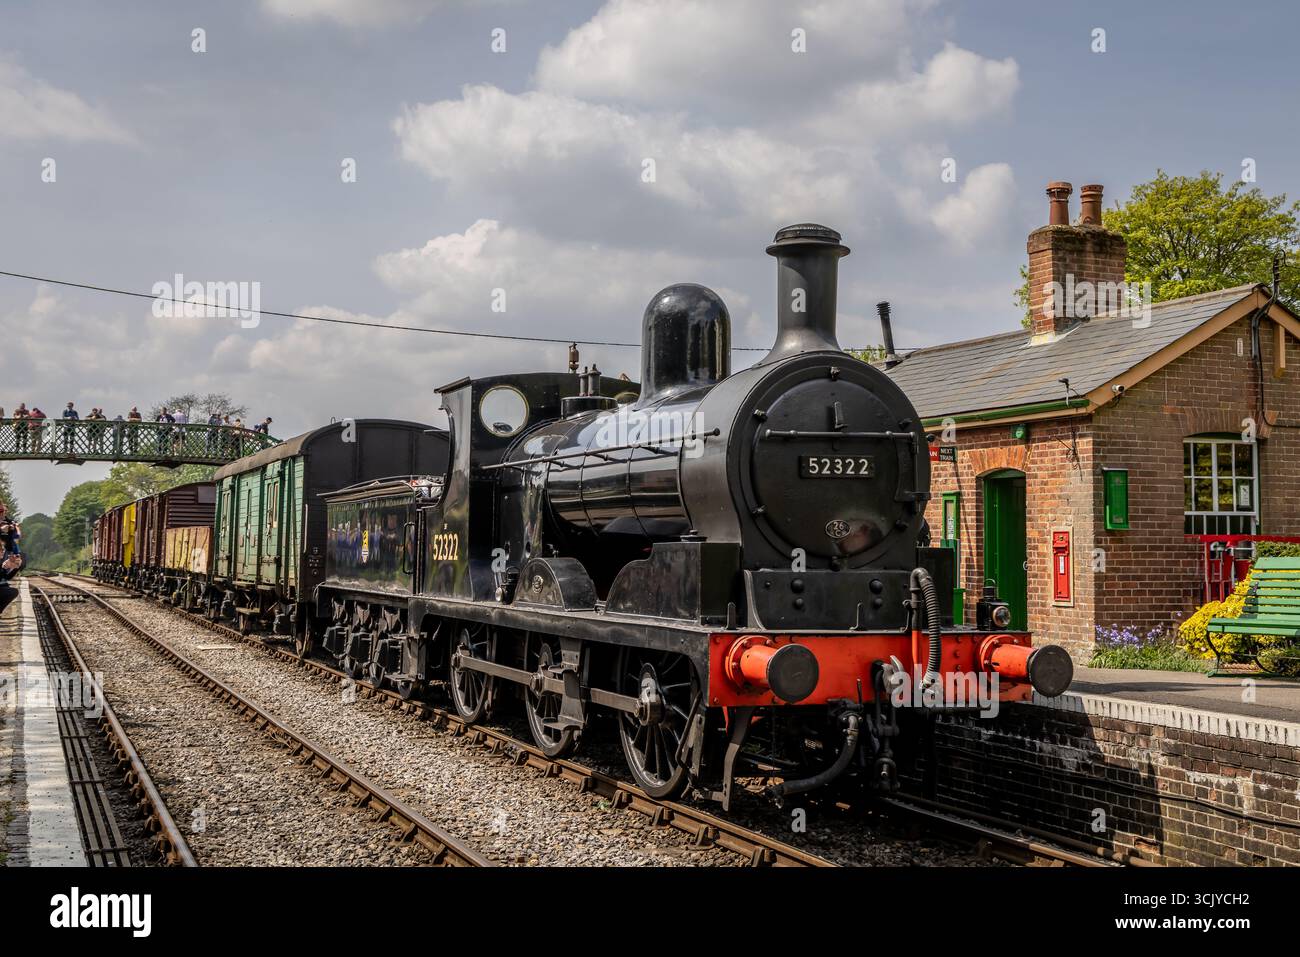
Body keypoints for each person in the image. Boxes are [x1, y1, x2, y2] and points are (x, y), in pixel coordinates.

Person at [0, 500, 23, 616]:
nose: (2, 513)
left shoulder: (9, 522)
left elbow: (17, 535)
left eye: (3, 511)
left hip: (8, 549)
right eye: (0, 511)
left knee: (9, 588)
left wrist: (15, 567)